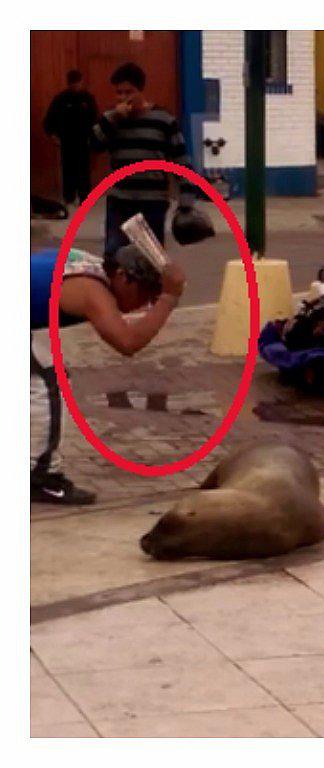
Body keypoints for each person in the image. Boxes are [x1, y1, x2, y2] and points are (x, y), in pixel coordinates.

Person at [30, 245, 187, 504]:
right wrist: (168, 299)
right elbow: (127, 342)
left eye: (153, 298)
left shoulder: (92, 270)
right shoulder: (92, 290)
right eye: (146, 294)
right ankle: (41, 477)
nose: (146, 304)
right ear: (124, 277)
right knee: (49, 384)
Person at [91, 62, 197, 257]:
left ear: (140, 91)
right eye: (119, 93)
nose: (123, 98)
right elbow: (93, 146)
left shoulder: (163, 120)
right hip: (120, 200)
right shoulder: (111, 120)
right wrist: (113, 119)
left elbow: (181, 161)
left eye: (128, 92)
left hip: (152, 202)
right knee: (115, 256)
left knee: (151, 259)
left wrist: (186, 202)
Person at [42, 70, 99, 208]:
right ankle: (69, 197)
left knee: (84, 170)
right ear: (68, 83)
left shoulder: (88, 98)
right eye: (73, 83)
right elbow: (49, 119)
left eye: (78, 82)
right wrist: (52, 135)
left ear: (81, 82)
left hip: (84, 140)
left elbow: (95, 119)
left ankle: (84, 198)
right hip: (66, 140)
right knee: (68, 170)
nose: (76, 86)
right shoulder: (60, 99)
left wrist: (94, 137)